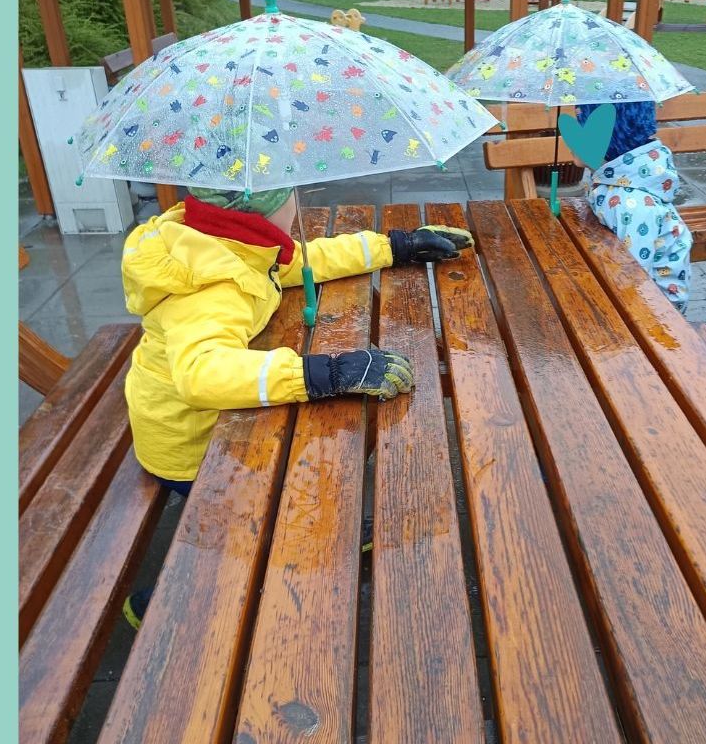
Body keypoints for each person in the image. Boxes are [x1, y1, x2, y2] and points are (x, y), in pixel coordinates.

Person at [119, 184, 472, 628]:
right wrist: (322, 373)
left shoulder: (226, 245)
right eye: (289, 194)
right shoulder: (215, 287)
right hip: (192, 446)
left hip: (199, 419)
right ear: (263, 212)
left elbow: (306, 261)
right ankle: (165, 603)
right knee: (277, 516)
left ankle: (313, 528)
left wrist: (395, 245)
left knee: (313, 455)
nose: (297, 202)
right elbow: (202, 374)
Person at [576, 99, 692, 311]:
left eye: (580, 126)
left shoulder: (632, 205)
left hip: (656, 313)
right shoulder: (614, 178)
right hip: (624, 284)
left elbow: (633, 281)